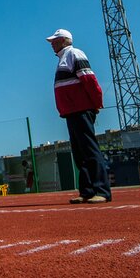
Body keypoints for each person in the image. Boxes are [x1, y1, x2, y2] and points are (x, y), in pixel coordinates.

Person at [45, 28, 112, 204]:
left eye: (55, 40)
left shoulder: (74, 53)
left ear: (65, 40)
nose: (52, 44)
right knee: (79, 153)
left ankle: (102, 191)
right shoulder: (63, 59)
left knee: (89, 150)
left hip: (82, 109)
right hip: (72, 112)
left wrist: (96, 103)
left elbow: (89, 80)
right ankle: (87, 191)